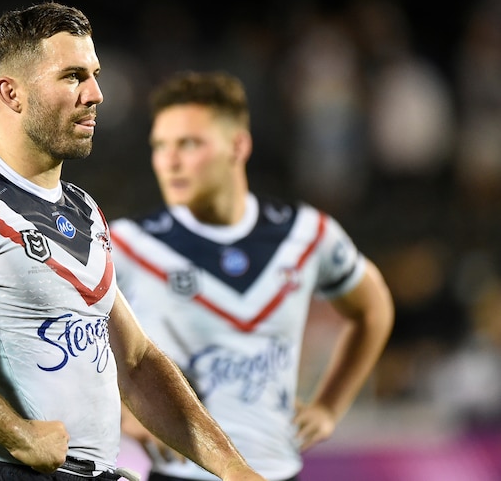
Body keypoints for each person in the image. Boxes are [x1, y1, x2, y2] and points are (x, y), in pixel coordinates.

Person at [0, 2, 266, 481]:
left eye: (94, 74)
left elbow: (136, 362)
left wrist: (235, 471)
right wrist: (15, 432)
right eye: (73, 76)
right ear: (11, 93)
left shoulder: (82, 209)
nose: (96, 94)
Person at [110, 71, 395, 481]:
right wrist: (123, 408)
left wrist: (329, 406)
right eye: (160, 146)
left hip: (278, 471)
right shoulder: (126, 244)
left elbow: (374, 307)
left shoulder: (307, 234)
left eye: (189, 144)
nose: (169, 161)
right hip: (180, 475)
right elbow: (67, 338)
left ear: (238, 145)